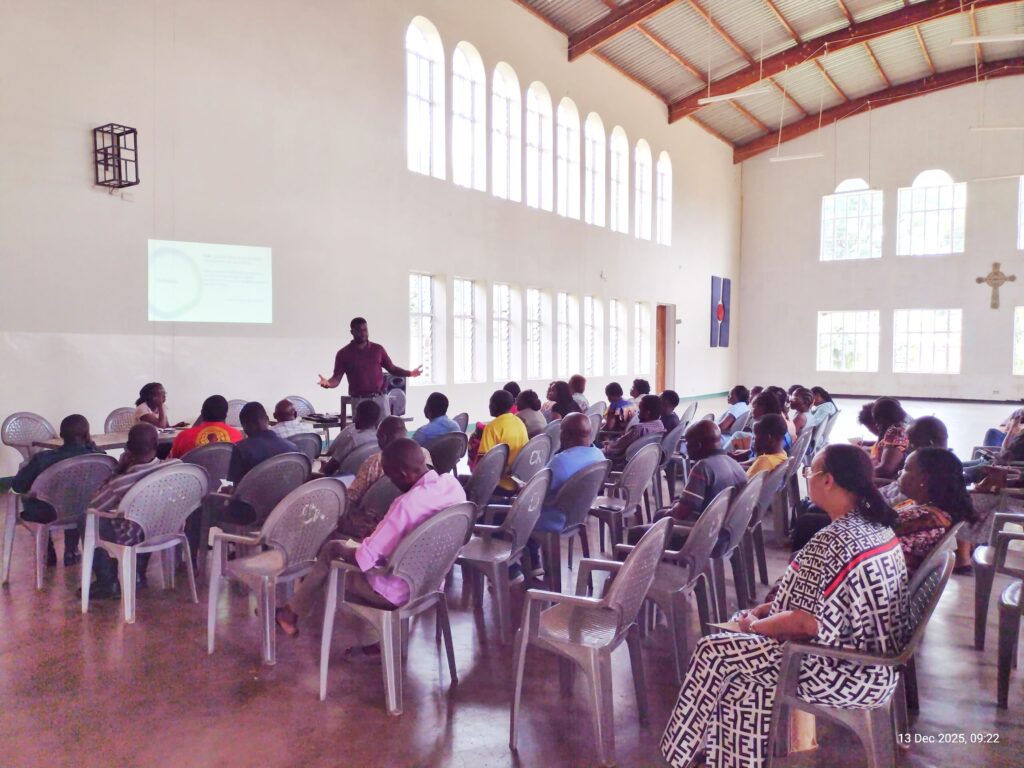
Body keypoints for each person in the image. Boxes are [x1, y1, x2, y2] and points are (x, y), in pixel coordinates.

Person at [661, 444, 909, 768]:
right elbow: (819, 605)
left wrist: (755, 626)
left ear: (828, 481)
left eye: (810, 473)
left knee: (714, 650)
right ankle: (731, 758)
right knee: (743, 665)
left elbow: (805, 623)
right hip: (873, 667)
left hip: (839, 668)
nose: (807, 479)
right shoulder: (875, 527)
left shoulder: (833, 540)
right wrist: (769, 613)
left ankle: (677, 755)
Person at [275, 439, 466, 644]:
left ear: (403, 474)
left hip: (392, 591)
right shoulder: (452, 486)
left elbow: (363, 559)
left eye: (392, 478)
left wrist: (344, 548)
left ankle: (291, 613)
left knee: (331, 550)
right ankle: (292, 610)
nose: (392, 483)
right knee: (357, 544)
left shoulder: (406, 504)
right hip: (431, 583)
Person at [82, 424, 181, 599]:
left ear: (128, 448)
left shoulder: (122, 482)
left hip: (133, 538)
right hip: (169, 530)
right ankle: (138, 574)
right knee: (149, 515)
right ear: (157, 444)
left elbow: (94, 505)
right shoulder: (176, 467)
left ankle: (107, 582)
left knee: (87, 520)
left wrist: (118, 471)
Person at [627, 419, 746, 545]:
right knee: (662, 514)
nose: (686, 448)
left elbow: (682, 512)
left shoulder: (703, 467)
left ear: (698, 445)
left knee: (638, 532)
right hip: (726, 533)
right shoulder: (734, 464)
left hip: (704, 537)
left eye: (687, 443)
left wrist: (668, 511)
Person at [12, 414, 102, 566]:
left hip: (48, 513)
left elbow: (17, 486)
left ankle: (48, 551)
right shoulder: (99, 457)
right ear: (87, 434)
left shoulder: (42, 459)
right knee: (75, 497)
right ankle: (71, 551)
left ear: (60, 436)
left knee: (37, 499)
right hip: (85, 511)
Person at [524, 413, 605, 578]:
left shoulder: (561, 461)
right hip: (577, 515)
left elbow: (537, 493)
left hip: (553, 518)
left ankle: (515, 570)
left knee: (511, 517)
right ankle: (533, 562)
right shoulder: (598, 455)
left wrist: (524, 488)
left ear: (566, 435)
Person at [317, 316, 422, 422]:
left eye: (365, 330)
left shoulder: (378, 349)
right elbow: (336, 378)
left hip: (380, 398)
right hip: (359, 400)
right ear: (352, 332)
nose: (363, 333)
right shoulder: (343, 354)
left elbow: (392, 368)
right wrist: (328, 384)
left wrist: (410, 373)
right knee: (362, 433)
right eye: (359, 330)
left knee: (385, 430)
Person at [342, 417, 432, 537]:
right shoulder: (422, 453)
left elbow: (351, 497)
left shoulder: (374, 462)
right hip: (414, 523)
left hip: (374, 523)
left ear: (382, 437)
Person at [894, 448, 977, 575]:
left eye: (906, 468)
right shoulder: (925, 508)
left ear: (924, 479)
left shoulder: (926, 518)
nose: (900, 471)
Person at [227, 402, 298, 487]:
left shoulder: (240, 449)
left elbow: (237, 487)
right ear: (267, 420)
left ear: (243, 426)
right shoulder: (292, 447)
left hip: (252, 499)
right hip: (285, 498)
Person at [478, 389, 529, 495]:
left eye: (490, 403)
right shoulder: (519, 421)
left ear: (495, 406)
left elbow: (484, 462)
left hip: (501, 483)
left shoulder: (492, 427)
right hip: (519, 479)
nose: (489, 406)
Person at [169, 395, 243, 458]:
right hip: (224, 475)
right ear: (226, 414)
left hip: (193, 475)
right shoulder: (238, 436)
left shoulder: (183, 436)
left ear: (202, 413)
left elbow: (171, 463)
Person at [323, 400, 381, 474]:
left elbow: (329, 468)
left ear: (360, 417)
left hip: (346, 481)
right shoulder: (378, 438)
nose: (354, 418)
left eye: (356, 415)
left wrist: (324, 467)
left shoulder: (353, 439)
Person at [603, 394, 664, 463]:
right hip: (645, 461)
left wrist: (606, 446)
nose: (638, 413)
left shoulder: (638, 429)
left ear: (647, 413)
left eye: (640, 410)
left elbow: (615, 449)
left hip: (622, 462)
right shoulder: (660, 425)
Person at [871, 397, 910, 480]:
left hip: (889, 483)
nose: (876, 425)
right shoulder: (900, 427)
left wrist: (860, 473)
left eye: (877, 420)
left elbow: (885, 470)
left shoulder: (896, 433)